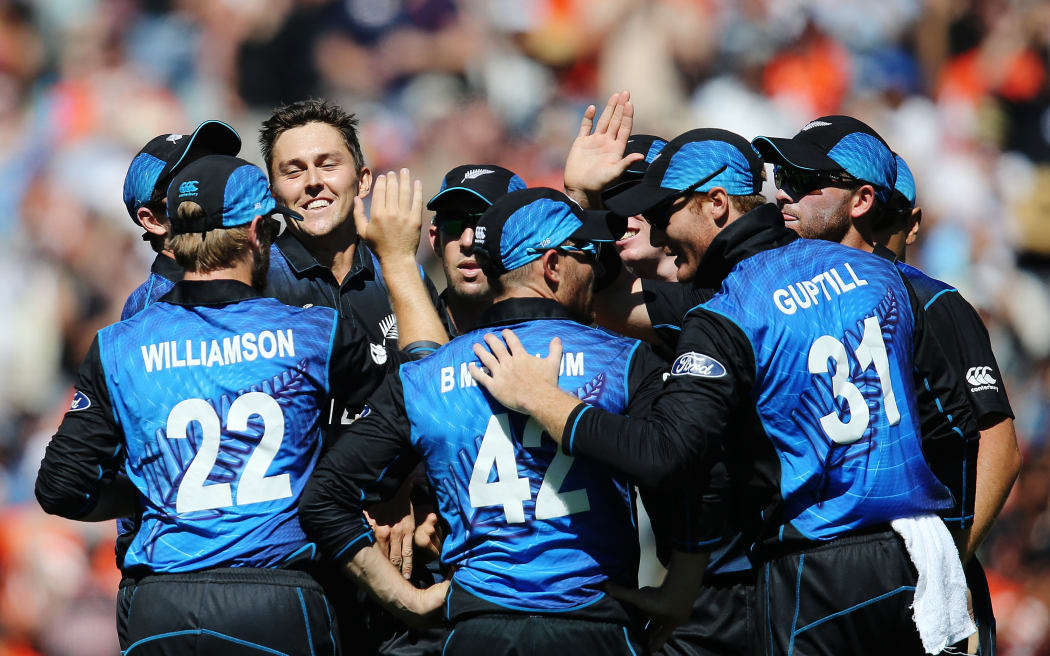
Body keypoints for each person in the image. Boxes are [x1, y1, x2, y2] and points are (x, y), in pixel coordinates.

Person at [469, 130, 979, 656]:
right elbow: (955, 427)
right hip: (918, 564)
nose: (660, 234)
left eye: (666, 213)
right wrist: (953, 547)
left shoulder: (725, 314)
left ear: (716, 203)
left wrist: (545, 400)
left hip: (812, 576)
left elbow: (665, 453)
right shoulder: (881, 275)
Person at [35, 154, 446, 654]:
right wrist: (380, 487)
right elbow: (422, 403)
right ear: (256, 232)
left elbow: (60, 488)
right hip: (278, 596)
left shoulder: (116, 343)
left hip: (161, 603)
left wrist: (157, 488)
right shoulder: (314, 331)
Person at [299, 188, 713, 656]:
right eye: (588, 256)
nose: (598, 270)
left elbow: (323, 499)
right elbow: (685, 471)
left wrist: (407, 601)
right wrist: (680, 585)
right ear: (552, 266)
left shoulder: (425, 377)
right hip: (596, 625)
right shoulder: (625, 359)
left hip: (477, 630)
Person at [258, 98, 450, 653]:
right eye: (293, 171)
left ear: (362, 177)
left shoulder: (400, 271)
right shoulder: (261, 283)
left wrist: (404, 485)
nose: (312, 183)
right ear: (273, 190)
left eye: (327, 164)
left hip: (404, 546)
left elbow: (441, 388)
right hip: (300, 560)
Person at [120, 120, 241, 319]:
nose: (215, 184)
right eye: (190, 183)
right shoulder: (150, 312)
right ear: (152, 221)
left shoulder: (258, 273)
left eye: (215, 168)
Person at [425, 164, 526, 335]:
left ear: (522, 239)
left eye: (485, 224)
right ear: (435, 241)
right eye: (454, 223)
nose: (467, 240)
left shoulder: (550, 339)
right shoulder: (401, 334)